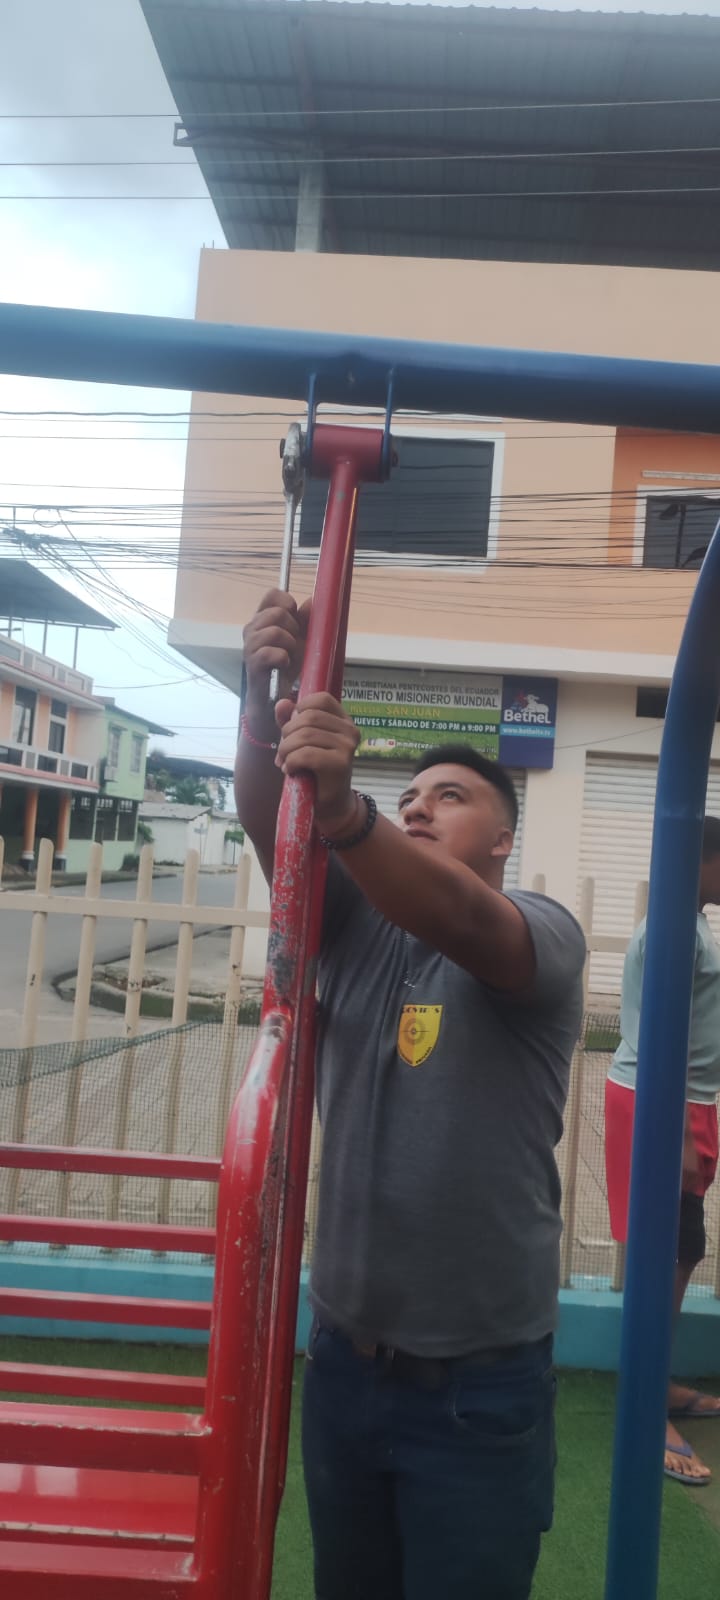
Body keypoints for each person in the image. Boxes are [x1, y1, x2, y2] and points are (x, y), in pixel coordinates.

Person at [235, 589, 586, 1600]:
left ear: (503, 840)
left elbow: (464, 923)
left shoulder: (541, 934)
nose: (421, 805)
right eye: (413, 794)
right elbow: (272, 821)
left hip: (478, 1388)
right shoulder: (353, 930)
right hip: (345, 1367)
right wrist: (262, 700)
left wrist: (350, 812)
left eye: (451, 796)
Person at [606, 814, 720, 1488]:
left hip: (686, 1101)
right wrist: (674, 1131)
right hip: (660, 1102)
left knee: (683, 1248)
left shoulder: (693, 921)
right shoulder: (674, 928)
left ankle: (656, 1379)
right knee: (665, 1252)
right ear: (702, 862)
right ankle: (645, 1405)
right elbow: (657, 1031)